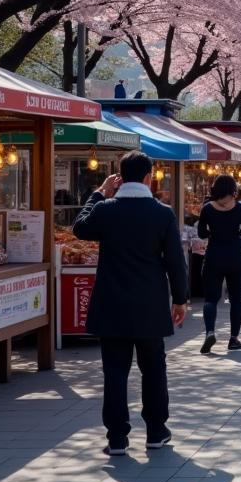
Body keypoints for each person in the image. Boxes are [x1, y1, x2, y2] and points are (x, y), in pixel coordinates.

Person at [72, 150, 188, 456]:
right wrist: (180, 299)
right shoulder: (162, 213)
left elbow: (80, 227)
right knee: (153, 369)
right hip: (150, 303)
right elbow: (175, 260)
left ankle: (117, 437)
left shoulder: (107, 209)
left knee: (114, 371)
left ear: (119, 178)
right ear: (149, 178)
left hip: (112, 303)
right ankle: (156, 431)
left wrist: (98, 194)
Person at [197, 173, 241, 354]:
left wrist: (213, 233)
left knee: (211, 299)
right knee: (236, 299)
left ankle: (210, 332)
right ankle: (234, 339)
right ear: (232, 189)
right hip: (236, 255)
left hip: (214, 255)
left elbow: (202, 234)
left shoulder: (207, 208)